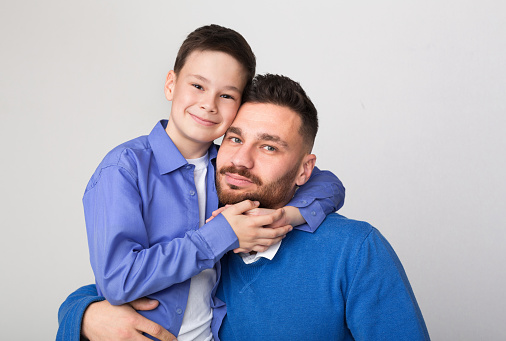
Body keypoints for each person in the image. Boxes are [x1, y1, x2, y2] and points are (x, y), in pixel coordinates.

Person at [58, 74, 430, 340]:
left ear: (304, 169)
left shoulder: (354, 250)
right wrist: (86, 316)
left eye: (269, 147)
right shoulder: (206, 224)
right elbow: (118, 279)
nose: (242, 160)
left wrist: (290, 216)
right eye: (234, 139)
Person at [70, 25, 344, 341]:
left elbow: (329, 185)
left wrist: (287, 215)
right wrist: (221, 234)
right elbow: (116, 281)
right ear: (171, 84)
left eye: (226, 95)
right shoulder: (124, 168)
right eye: (198, 86)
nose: (209, 104)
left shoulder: (227, 169)